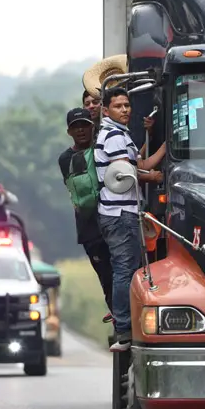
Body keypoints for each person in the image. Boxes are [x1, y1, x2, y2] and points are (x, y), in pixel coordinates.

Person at [95, 86, 167, 347]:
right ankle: (124, 329)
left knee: (131, 269)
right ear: (106, 110)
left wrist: (167, 145)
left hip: (125, 211)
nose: (125, 110)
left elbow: (142, 163)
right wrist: (153, 178)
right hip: (119, 213)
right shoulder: (113, 136)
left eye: (127, 105)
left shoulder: (120, 134)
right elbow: (130, 173)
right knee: (125, 270)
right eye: (118, 106)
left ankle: (129, 325)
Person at [58, 107, 114, 314]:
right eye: (75, 127)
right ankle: (118, 319)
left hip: (114, 220)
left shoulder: (105, 147)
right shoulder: (66, 159)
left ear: (93, 127)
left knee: (123, 272)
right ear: (69, 132)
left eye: (84, 125)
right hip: (90, 227)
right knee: (106, 276)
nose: (81, 130)